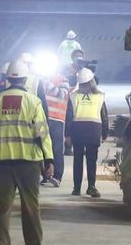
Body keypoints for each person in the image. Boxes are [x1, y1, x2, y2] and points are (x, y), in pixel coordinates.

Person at [0, 60, 53, 245]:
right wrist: (49, 159)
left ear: (7, 78)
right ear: (25, 79)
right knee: (30, 207)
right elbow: (42, 133)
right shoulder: (33, 102)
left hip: (2, 163)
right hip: (28, 162)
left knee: (2, 209)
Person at [67, 68, 108, 197]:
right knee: (91, 160)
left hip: (77, 129)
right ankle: (91, 186)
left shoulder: (73, 96)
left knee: (77, 160)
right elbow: (104, 116)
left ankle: (77, 188)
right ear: (92, 81)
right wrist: (105, 133)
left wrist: (67, 134)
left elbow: (68, 116)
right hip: (93, 130)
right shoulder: (99, 96)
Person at [42, 71, 70, 188]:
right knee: (43, 148)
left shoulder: (63, 80)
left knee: (57, 149)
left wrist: (47, 84)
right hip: (43, 118)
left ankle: (57, 176)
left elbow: (62, 95)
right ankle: (45, 175)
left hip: (57, 120)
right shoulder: (39, 80)